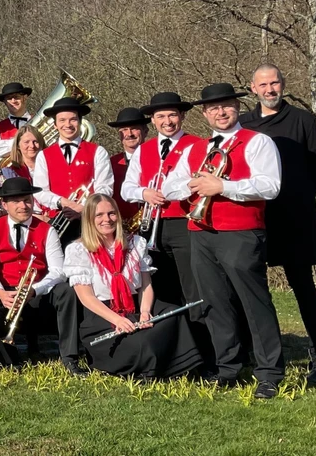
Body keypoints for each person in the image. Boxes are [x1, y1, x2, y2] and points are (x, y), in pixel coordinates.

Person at [162, 83, 285, 399]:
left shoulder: (258, 142)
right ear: (204, 114)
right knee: (214, 303)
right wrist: (194, 184)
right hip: (200, 232)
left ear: (237, 107)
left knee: (253, 303)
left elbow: (270, 186)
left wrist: (223, 186)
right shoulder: (195, 149)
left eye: (226, 105)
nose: (221, 112)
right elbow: (170, 186)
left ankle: (269, 373)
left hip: (241, 233)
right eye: (213, 108)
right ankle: (228, 368)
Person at [239, 64, 316, 385]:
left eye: (275, 83)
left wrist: (296, 197)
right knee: (249, 288)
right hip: (254, 219)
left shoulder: (303, 120)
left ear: (283, 84)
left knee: (303, 287)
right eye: (263, 84)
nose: (270, 89)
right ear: (253, 88)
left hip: (295, 219)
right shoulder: (243, 124)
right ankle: (252, 355)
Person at [66, 194, 202, 379]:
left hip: (136, 306)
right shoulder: (78, 250)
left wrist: (145, 312)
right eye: (99, 215)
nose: (107, 219)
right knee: (142, 341)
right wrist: (117, 320)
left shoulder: (136, 243)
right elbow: (86, 297)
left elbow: (145, 285)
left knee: (175, 315)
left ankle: (182, 367)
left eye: (111, 213)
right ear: (89, 219)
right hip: (103, 315)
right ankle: (154, 368)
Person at [120, 92, 208, 357]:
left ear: (182, 116)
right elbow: (126, 189)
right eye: (161, 116)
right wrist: (144, 193)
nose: (167, 121)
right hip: (152, 227)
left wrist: (173, 191)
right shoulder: (143, 150)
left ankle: (203, 348)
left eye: (172, 115)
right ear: (153, 120)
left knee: (193, 287)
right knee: (161, 289)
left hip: (184, 224)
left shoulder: (197, 144)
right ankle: (173, 348)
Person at [0, 177, 74, 370]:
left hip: (37, 291)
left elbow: (58, 270)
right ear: (4, 205)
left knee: (66, 292)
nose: (23, 206)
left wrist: (35, 290)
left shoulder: (48, 230)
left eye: (27, 200)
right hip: (6, 290)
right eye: (16, 201)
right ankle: (8, 358)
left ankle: (70, 357)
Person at [31, 97, 112, 243]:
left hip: (91, 221)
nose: (67, 125)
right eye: (62, 120)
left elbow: (105, 187)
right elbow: (40, 191)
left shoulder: (98, 151)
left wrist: (84, 208)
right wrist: (62, 202)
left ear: (80, 122)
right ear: (55, 125)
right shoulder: (43, 155)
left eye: (73, 119)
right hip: (57, 222)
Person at [106, 107, 149, 228]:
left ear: (145, 131)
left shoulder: (157, 159)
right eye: (124, 129)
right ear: (119, 134)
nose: (129, 134)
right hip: (120, 225)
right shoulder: (110, 163)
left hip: (152, 222)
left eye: (134, 128)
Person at [0, 82, 33, 159]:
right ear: (5, 102)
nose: (13, 101)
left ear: (24, 97)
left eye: (16, 97)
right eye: (9, 98)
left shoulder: (40, 119)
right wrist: (19, 142)